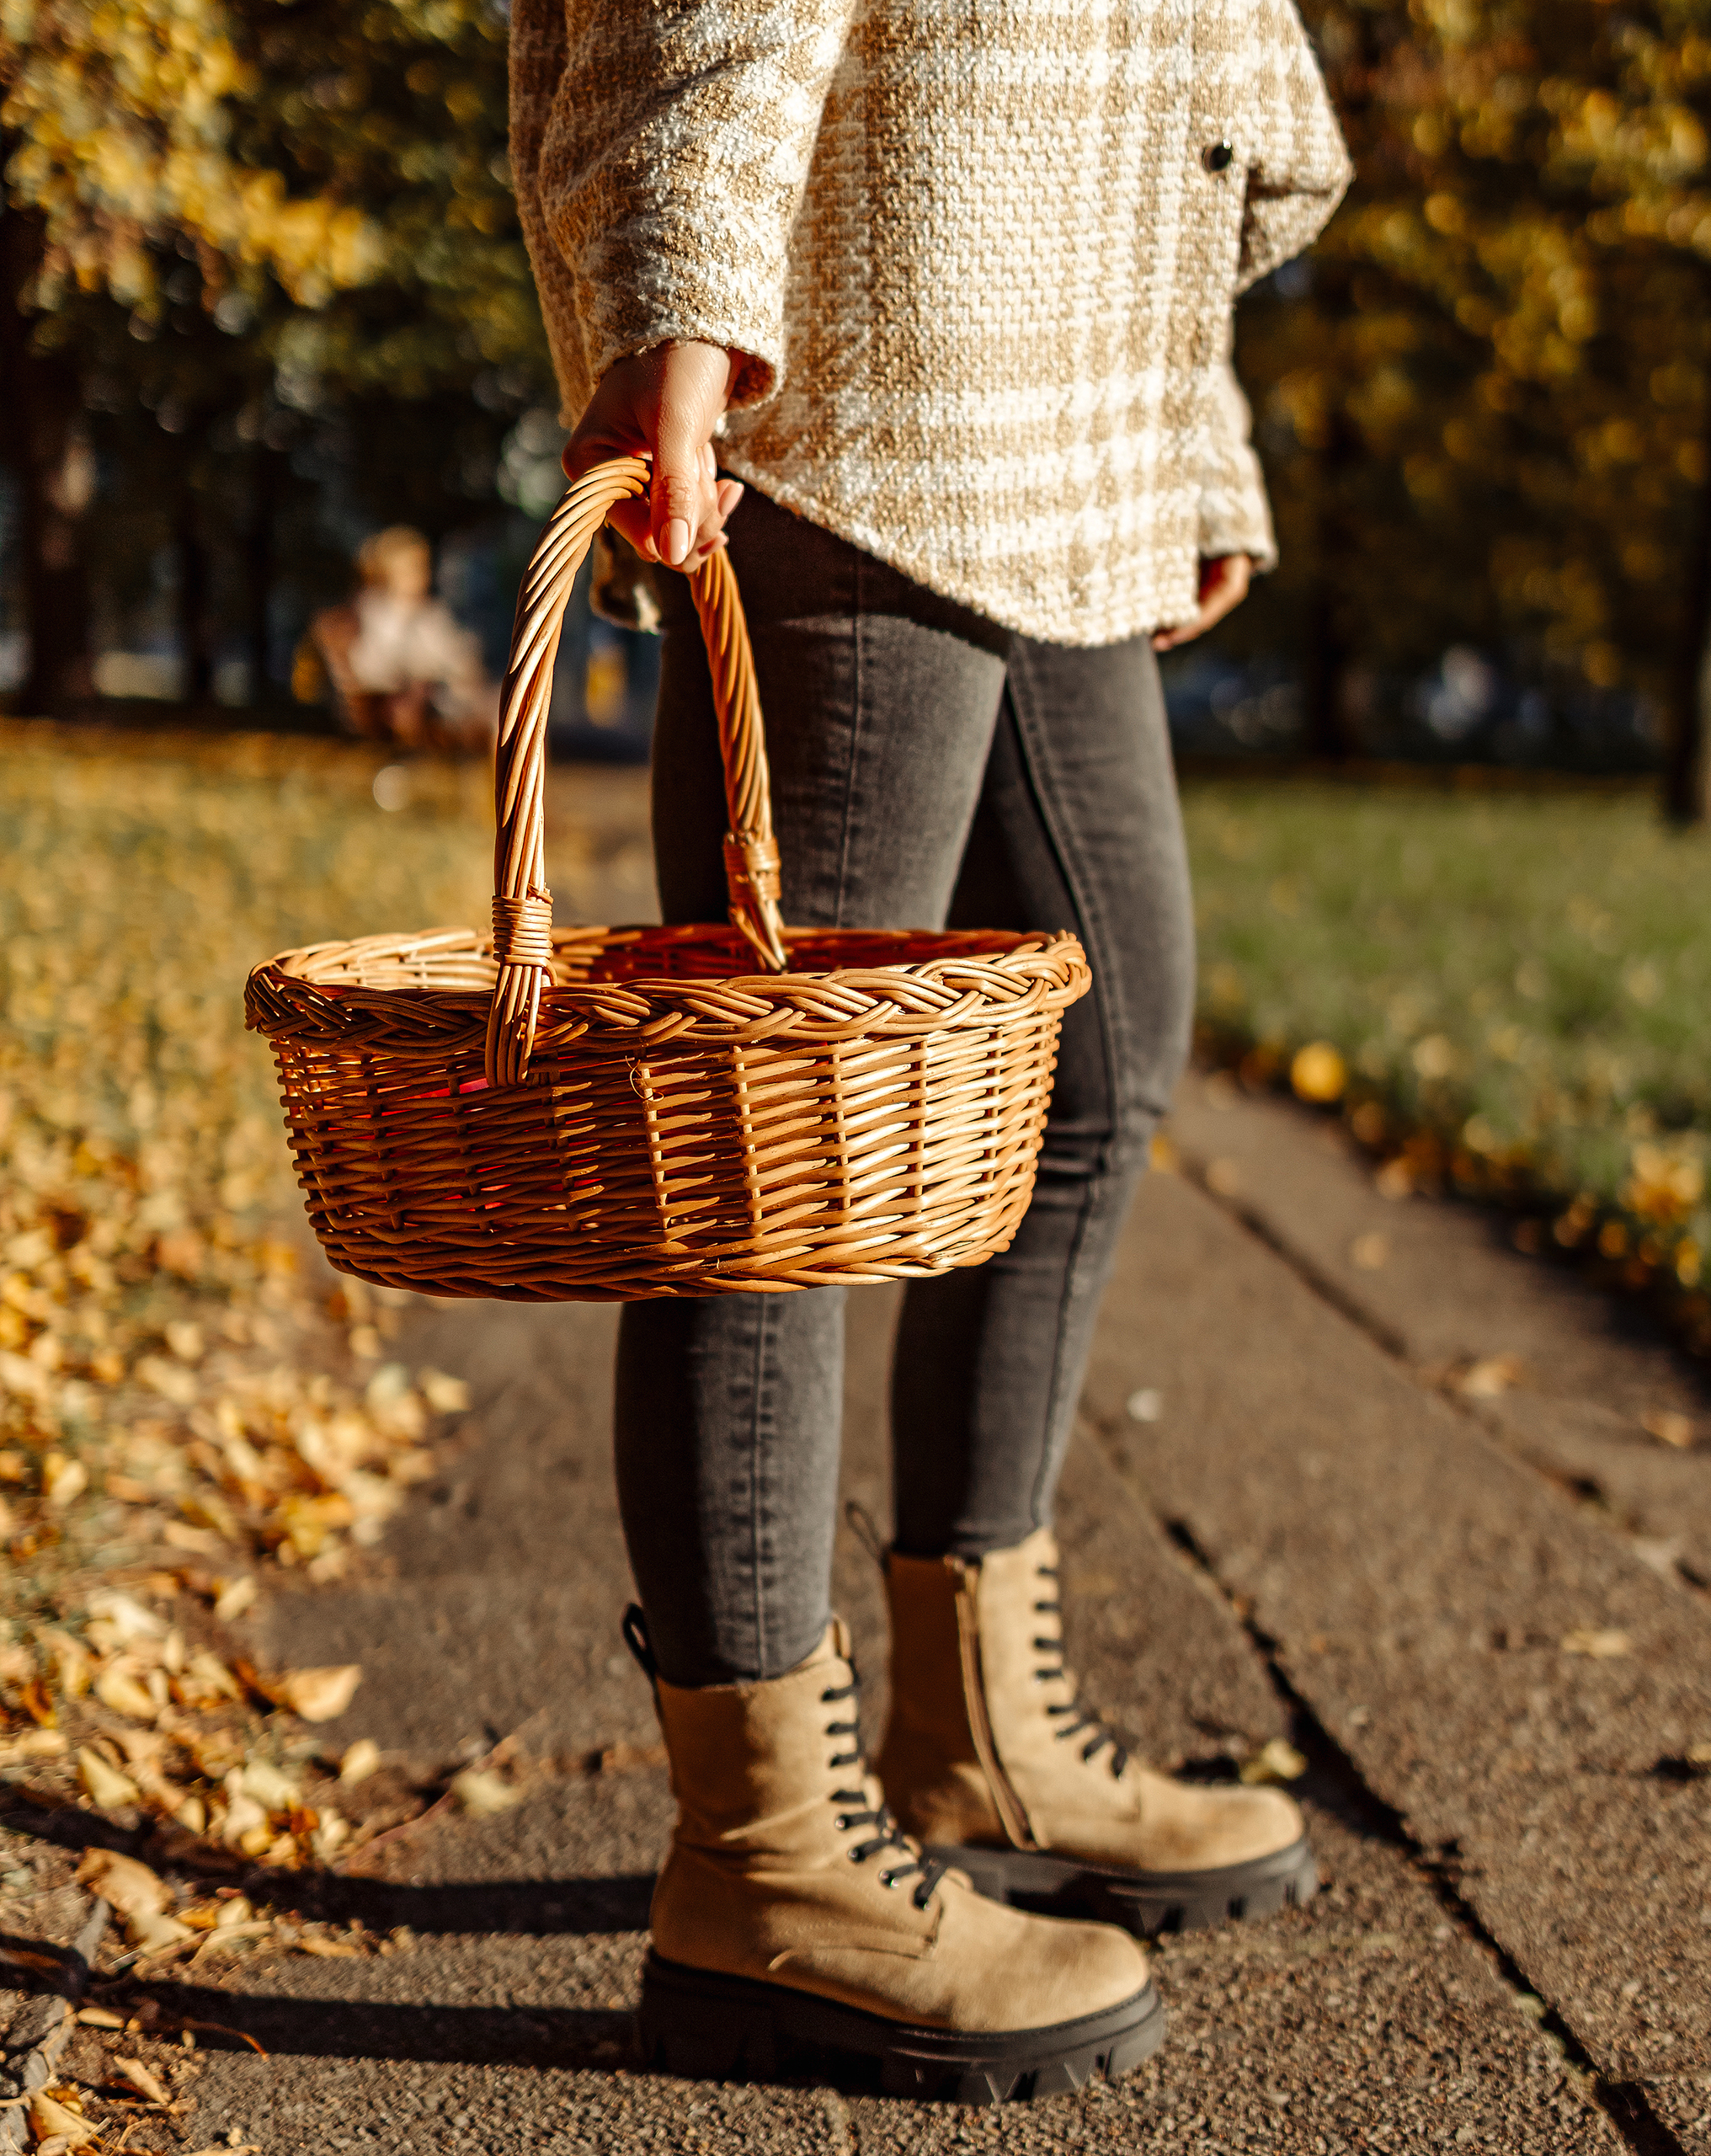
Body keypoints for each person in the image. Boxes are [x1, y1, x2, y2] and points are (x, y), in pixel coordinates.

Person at [512, 0, 1349, 2105]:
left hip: (1061, 351)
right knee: (773, 1136)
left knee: (1100, 1040)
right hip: (880, 349)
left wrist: (1189, 420)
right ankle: (763, 1855)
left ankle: (972, 1725)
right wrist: (681, 282)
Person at [302, 526, 488, 751]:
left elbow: (457, 658)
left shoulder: (430, 613)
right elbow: (368, 666)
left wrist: (458, 671)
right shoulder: (373, 612)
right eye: (411, 569)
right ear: (385, 574)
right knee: (412, 707)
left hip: (437, 695)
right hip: (390, 699)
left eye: (423, 567)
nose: (422, 576)